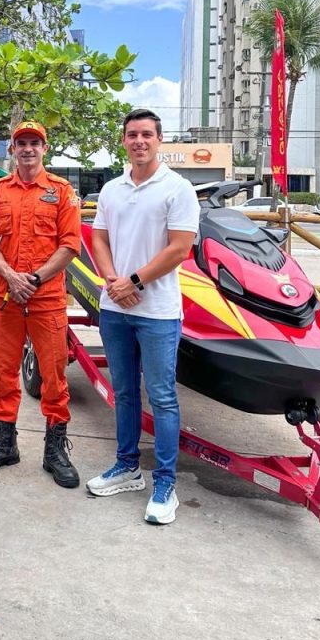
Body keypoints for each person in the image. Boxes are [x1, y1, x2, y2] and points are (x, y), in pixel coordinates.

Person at [87, 108, 199, 524]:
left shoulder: (178, 188)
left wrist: (134, 281)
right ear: (123, 140)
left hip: (157, 312)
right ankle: (127, 466)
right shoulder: (113, 188)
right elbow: (98, 236)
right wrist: (113, 279)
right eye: (132, 134)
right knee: (125, 392)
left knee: (163, 396)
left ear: (160, 139)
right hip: (114, 308)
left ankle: (165, 484)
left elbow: (179, 248)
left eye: (147, 134)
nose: (139, 141)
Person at [0, 120, 81, 488]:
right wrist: (12, 276)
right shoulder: (0, 191)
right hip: (5, 297)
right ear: (13, 150)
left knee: (53, 375)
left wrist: (33, 279)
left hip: (46, 299)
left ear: (44, 149)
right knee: (4, 373)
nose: (28, 149)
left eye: (35, 143)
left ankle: (55, 450)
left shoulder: (62, 192)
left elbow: (69, 246)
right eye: (22, 143)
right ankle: (4, 444)